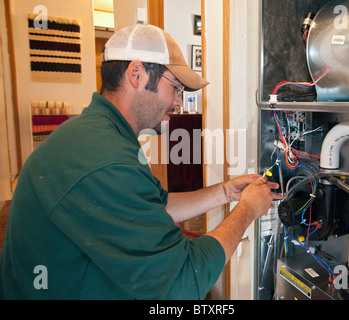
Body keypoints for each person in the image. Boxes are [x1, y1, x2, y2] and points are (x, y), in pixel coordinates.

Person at [0, 24, 281, 300]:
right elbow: (182, 282)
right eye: (175, 87)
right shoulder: (106, 160)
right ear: (136, 74)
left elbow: (154, 206)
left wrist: (224, 192)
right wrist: (246, 211)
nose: (179, 102)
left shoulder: (98, 135)